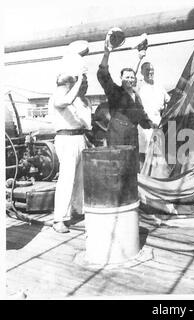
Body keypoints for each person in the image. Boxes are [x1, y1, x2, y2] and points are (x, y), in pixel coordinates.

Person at [97, 34, 155, 170]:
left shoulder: (136, 96)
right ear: (121, 79)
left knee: (133, 168)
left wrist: (153, 124)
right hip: (118, 135)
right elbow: (103, 75)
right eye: (126, 77)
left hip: (132, 135)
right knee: (118, 167)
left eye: (132, 77)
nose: (130, 79)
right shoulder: (115, 92)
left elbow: (141, 117)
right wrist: (107, 53)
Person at [51, 68, 91, 233]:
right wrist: (79, 80)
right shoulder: (58, 96)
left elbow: (86, 123)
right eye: (71, 82)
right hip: (66, 139)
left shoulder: (79, 100)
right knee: (67, 179)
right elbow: (63, 102)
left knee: (80, 178)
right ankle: (59, 218)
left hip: (79, 138)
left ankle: (77, 210)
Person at [136, 62, 170, 164]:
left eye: (152, 70)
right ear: (141, 72)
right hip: (144, 125)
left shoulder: (159, 86)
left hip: (158, 124)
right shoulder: (138, 86)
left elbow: (169, 101)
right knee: (144, 155)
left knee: (158, 155)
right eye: (147, 70)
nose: (150, 72)